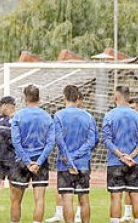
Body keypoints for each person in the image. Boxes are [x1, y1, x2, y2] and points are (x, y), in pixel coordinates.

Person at [10, 85, 56, 223]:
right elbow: (50, 143)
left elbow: (16, 142)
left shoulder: (18, 116)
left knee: (16, 200)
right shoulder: (47, 117)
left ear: (24, 98)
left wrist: (27, 161)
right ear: (39, 98)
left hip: (21, 161)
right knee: (39, 199)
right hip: (40, 162)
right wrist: (39, 162)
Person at [103, 85, 138, 223]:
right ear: (128, 98)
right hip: (134, 162)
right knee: (135, 195)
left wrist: (120, 156)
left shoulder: (109, 115)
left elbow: (106, 140)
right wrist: (131, 156)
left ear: (116, 97)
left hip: (115, 162)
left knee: (116, 196)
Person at [52, 85, 97, 223]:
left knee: (67, 199)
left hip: (65, 163)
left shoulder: (58, 116)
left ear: (64, 97)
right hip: (83, 163)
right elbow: (92, 141)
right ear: (78, 98)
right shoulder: (89, 117)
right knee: (83, 198)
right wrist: (78, 155)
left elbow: (59, 141)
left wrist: (70, 159)